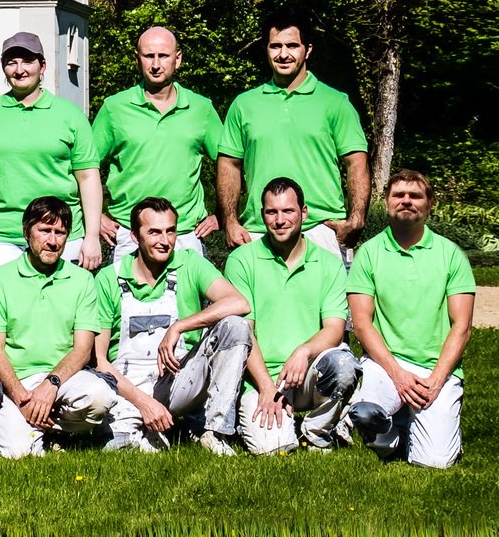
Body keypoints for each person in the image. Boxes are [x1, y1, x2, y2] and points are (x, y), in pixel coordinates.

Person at [92, 197, 252, 456]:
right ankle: (160, 430)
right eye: (154, 232)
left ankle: (215, 431)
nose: (164, 240)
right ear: (135, 236)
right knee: (119, 448)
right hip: (127, 386)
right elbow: (99, 361)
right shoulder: (108, 278)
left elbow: (239, 302)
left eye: (170, 231)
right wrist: (144, 403)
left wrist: (179, 326)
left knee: (235, 326)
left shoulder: (189, 262)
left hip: (178, 379)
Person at [348, 169, 475, 470]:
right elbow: (362, 324)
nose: (406, 201)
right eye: (398, 195)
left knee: (434, 462)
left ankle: (414, 427)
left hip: (436, 369)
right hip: (385, 364)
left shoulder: (451, 255)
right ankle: (392, 440)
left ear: (430, 204)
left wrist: (436, 380)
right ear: (387, 202)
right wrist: (398, 374)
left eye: (415, 196)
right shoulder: (368, 253)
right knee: (364, 412)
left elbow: (462, 326)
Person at [217, 8, 370, 258]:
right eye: (275, 46)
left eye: (292, 45)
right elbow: (228, 165)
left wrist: (356, 220)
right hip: (258, 233)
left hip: (320, 231)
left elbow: (357, 162)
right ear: (266, 49)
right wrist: (231, 222)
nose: (283, 54)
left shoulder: (335, 103)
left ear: (307, 49)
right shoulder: (244, 105)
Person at [227, 177, 359, 456]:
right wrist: (265, 386)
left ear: (304, 212)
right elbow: (244, 332)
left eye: (288, 211)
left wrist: (304, 351)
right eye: (271, 212)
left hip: (310, 372)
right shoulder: (242, 260)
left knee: (344, 364)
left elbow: (335, 328)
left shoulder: (329, 264)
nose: (279, 220)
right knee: (271, 450)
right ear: (262, 215)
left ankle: (317, 431)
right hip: (261, 376)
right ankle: (266, 418)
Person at [0, 196, 117, 459]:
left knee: (100, 397)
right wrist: (23, 399)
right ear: (26, 232)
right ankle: (27, 423)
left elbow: (83, 348)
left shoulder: (81, 280)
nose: (53, 241)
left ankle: (54, 428)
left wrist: (51, 384)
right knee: (16, 453)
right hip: (18, 380)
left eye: (60, 233)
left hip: (63, 379)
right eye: (44, 231)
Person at [0, 34, 102, 281]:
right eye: (11, 62)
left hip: (60, 234)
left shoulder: (70, 115)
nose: (19, 70)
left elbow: (88, 177)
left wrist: (91, 237)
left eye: (27, 61)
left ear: (42, 66)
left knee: (61, 314)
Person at [92, 27, 221, 258]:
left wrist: (223, 215)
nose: (155, 64)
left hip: (184, 234)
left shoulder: (202, 109)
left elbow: (229, 164)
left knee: (187, 296)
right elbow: (83, 167)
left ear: (177, 59)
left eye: (163, 56)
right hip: (129, 235)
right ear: (137, 58)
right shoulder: (114, 108)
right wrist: (94, 217)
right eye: (149, 56)